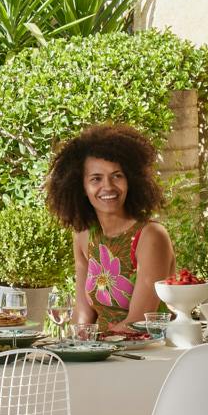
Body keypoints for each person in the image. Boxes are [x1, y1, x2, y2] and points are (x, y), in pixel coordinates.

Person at [47, 124, 174, 335]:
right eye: (96, 179)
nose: (108, 186)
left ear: (131, 180)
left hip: (146, 354)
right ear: (82, 188)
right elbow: (83, 316)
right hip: (101, 352)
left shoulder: (151, 236)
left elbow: (138, 323)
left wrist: (95, 346)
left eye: (117, 176)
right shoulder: (83, 235)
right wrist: (73, 347)